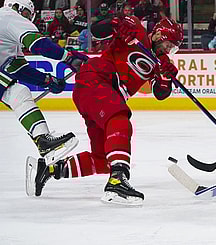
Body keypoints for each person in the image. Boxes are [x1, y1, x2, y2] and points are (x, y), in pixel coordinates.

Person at [26, 17, 184, 206]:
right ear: (158, 34)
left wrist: (166, 77)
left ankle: (47, 170)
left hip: (102, 96)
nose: (168, 51)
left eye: (173, 48)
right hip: (96, 80)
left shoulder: (161, 61)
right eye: (168, 45)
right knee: (120, 118)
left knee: (103, 160)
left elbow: (160, 93)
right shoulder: (136, 30)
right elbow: (97, 29)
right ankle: (117, 182)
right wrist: (115, 24)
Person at [0, 0, 87, 165]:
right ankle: (43, 141)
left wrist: (47, 80)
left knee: (17, 93)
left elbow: (16, 67)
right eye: (26, 14)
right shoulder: (8, 16)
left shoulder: (5, 30)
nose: (27, 20)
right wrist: (68, 57)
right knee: (16, 92)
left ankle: (43, 141)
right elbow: (38, 44)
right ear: (16, 7)